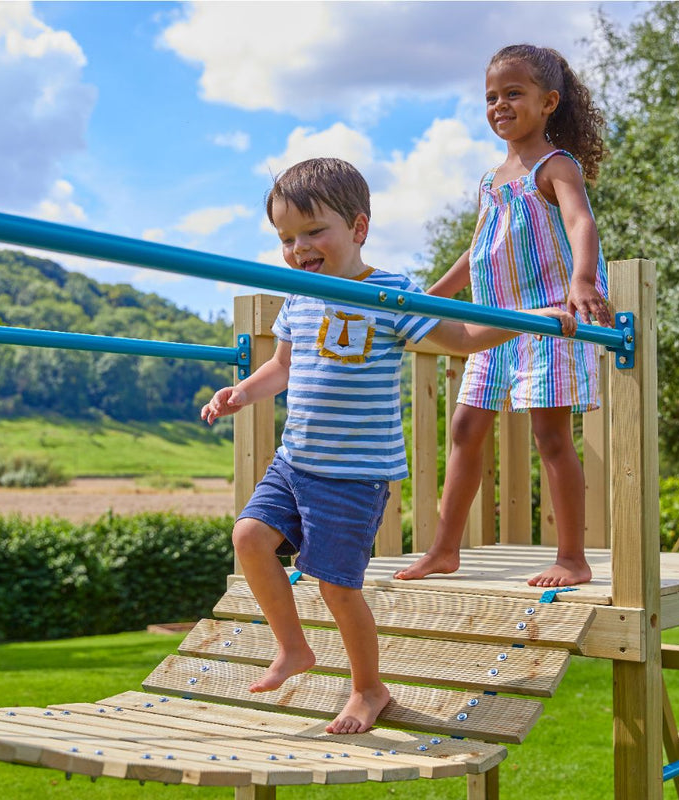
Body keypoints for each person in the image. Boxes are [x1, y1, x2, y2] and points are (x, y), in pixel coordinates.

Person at [200, 157, 576, 735]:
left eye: (313, 231)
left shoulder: (391, 293)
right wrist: (242, 393)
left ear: (358, 228)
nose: (299, 248)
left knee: (335, 585)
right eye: (286, 238)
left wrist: (530, 320)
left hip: (352, 473)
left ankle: (368, 690)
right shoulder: (299, 296)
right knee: (248, 537)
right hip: (295, 459)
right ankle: (293, 648)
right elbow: (281, 367)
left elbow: (458, 339)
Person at [394, 44, 613, 588]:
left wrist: (581, 281)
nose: (499, 105)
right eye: (491, 96)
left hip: (548, 321)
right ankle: (445, 549)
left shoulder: (556, 165)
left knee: (551, 437)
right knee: (466, 426)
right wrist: (429, 298)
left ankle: (572, 558)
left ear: (549, 102)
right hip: (497, 326)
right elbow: (477, 251)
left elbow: (580, 222)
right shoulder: (491, 181)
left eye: (513, 93)